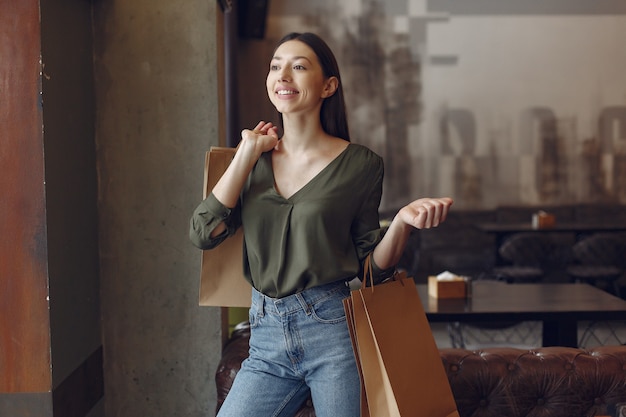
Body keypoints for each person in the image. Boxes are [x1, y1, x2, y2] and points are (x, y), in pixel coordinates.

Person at [189, 32, 453, 417]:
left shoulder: (361, 165)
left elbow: (372, 271)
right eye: (276, 66)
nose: (283, 75)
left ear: (328, 85)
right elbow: (202, 233)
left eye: (298, 66)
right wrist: (246, 153)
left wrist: (400, 224)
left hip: (331, 331)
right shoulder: (250, 161)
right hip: (265, 337)